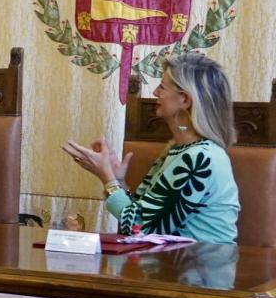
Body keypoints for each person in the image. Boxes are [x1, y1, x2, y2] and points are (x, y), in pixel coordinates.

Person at [62, 53, 240, 243]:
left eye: (162, 87)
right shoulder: (179, 150)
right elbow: (139, 212)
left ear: (185, 100)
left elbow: (141, 227)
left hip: (198, 266)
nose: (155, 93)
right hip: (170, 263)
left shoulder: (200, 158)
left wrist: (107, 179)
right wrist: (119, 181)